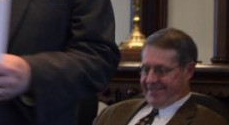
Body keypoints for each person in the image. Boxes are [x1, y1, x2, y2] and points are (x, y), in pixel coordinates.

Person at [94, 28, 228, 125]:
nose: (150, 80)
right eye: (145, 69)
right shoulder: (111, 114)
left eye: (161, 70)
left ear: (188, 71)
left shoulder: (209, 122)